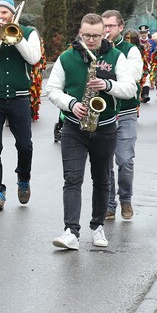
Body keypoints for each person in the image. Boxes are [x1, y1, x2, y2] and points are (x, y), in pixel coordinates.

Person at [46, 14, 135, 250]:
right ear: (80, 32)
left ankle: (97, 227)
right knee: (72, 178)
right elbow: (52, 90)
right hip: (74, 127)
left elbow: (130, 89)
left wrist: (108, 85)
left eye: (96, 35)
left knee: (102, 178)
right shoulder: (67, 57)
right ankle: (71, 231)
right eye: (87, 36)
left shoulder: (116, 56)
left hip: (105, 127)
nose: (91, 40)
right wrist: (71, 104)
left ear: (104, 33)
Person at [0, 0, 41, 211]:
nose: (0, 17)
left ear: (12, 14)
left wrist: (16, 38)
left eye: (4, 13)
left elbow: (34, 58)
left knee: (25, 145)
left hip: (20, 96)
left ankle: (23, 178)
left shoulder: (29, 32)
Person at [102, 10, 143, 222]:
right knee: (105, 161)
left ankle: (125, 198)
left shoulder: (131, 50)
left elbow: (134, 77)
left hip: (126, 112)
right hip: (104, 112)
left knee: (125, 160)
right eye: (104, 26)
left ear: (120, 28)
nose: (107, 30)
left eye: (111, 26)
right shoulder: (95, 49)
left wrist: (109, 76)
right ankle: (109, 204)